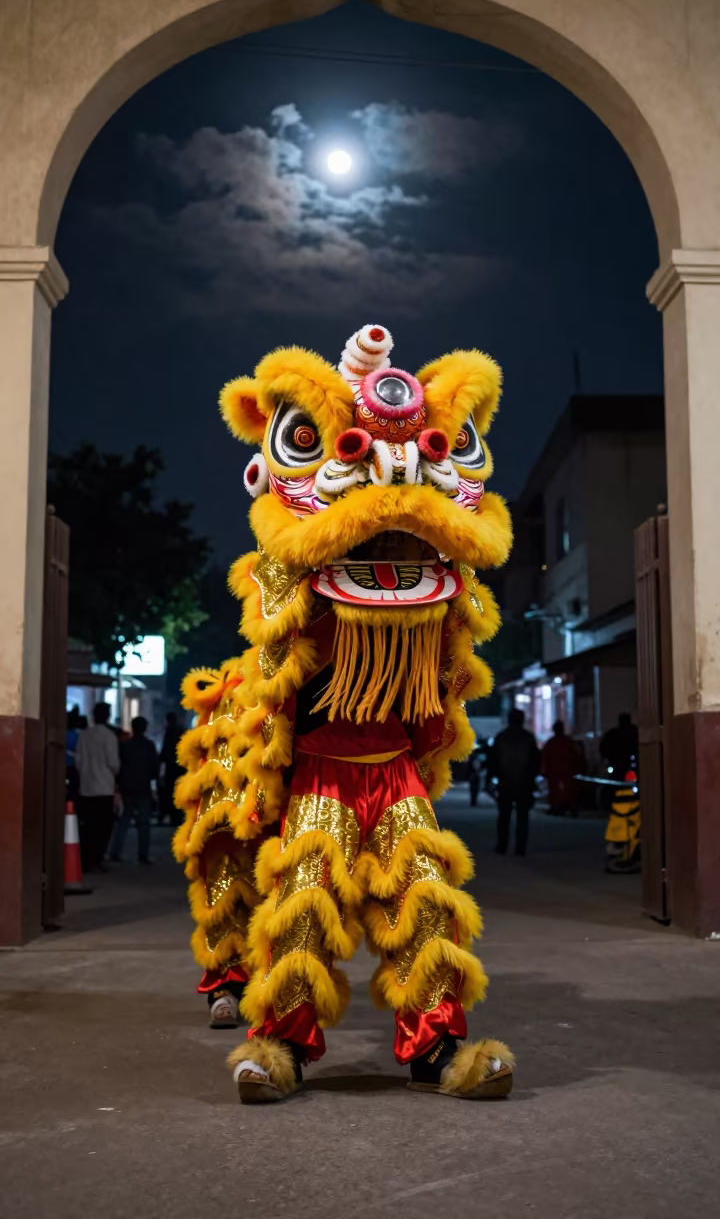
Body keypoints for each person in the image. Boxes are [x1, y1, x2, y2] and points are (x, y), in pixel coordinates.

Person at [174, 324, 517, 1103]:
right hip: (322, 773)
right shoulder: (290, 589)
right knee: (302, 900)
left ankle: (440, 1052)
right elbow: (272, 667)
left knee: (427, 894)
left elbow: (452, 672)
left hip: (395, 773)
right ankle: (280, 1048)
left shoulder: (442, 593)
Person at [76, 701, 120, 872]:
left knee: (87, 826)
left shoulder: (84, 735)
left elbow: (78, 761)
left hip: (86, 787)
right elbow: (113, 763)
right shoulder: (109, 737)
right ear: (107, 716)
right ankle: (97, 859)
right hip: (104, 787)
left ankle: (86, 859)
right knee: (103, 827)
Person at [489, 708, 540, 856]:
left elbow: (493, 760)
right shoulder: (528, 738)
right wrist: (532, 779)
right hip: (524, 783)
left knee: (504, 815)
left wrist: (493, 778)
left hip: (505, 783)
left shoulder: (501, 737)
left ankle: (502, 844)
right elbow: (535, 761)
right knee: (522, 817)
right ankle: (520, 847)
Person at [111, 716, 159, 864]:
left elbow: (119, 767)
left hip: (127, 787)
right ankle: (143, 855)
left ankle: (115, 852)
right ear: (145, 729)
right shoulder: (149, 746)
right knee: (144, 823)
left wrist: (119, 785)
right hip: (143, 787)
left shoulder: (125, 746)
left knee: (124, 820)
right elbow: (154, 768)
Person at [541, 720, 580, 816]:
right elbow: (576, 756)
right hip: (567, 771)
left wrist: (544, 770)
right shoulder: (569, 742)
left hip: (555, 772)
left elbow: (545, 757)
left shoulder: (551, 743)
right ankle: (568, 807)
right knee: (569, 790)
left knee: (556, 790)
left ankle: (557, 806)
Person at [159, 711, 185, 825]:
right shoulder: (178, 731)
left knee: (171, 793)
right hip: (178, 768)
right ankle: (176, 817)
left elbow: (165, 751)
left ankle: (174, 816)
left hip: (174, 768)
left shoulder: (171, 732)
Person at [600, 713, 638, 779]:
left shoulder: (633, 732)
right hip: (617, 765)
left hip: (630, 764)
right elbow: (603, 747)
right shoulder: (613, 734)